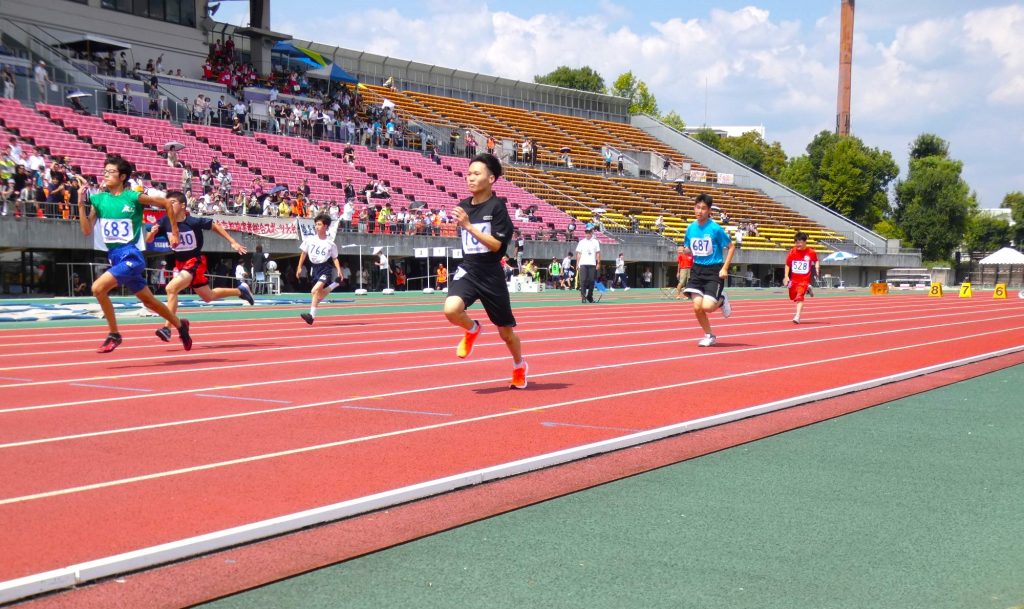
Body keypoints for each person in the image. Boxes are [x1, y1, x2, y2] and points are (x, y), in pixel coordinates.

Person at [75, 155, 192, 353]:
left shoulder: (132, 197)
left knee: (97, 288)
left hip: (131, 256)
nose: (106, 175)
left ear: (122, 177)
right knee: (149, 301)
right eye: (105, 172)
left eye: (111, 172)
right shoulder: (98, 200)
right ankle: (181, 326)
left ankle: (114, 334)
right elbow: (86, 230)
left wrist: (174, 231)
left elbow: (166, 204)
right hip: (115, 257)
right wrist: (80, 203)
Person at [444, 153, 527, 389]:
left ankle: (519, 365)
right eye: (469, 174)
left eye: (476, 174)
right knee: (451, 310)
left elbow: (497, 245)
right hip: (469, 268)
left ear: (491, 179)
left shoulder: (497, 208)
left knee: (506, 334)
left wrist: (468, 226)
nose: (470, 178)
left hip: (491, 272)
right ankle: (472, 329)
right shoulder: (462, 206)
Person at [146, 191, 254, 341]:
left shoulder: (193, 222)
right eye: (166, 204)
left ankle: (167, 328)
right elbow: (148, 240)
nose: (168, 206)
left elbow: (214, 225)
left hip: (195, 261)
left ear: (183, 206)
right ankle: (240, 290)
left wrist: (233, 242)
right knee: (208, 296)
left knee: (171, 288)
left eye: (171, 203)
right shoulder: (164, 222)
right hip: (181, 263)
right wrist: (151, 234)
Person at [681, 193, 735, 347]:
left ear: (709, 210)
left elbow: (731, 247)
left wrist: (725, 268)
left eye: (703, 208)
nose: (700, 211)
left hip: (714, 271)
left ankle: (722, 299)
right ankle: (709, 335)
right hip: (697, 270)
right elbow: (689, 248)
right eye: (697, 207)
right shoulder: (690, 228)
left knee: (707, 307)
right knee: (697, 307)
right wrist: (685, 250)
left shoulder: (715, 229)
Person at [296, 213, 342, 325]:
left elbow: (335, 258)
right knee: (316, 293)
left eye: (319, 224)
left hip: (325, 268)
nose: (316, 226)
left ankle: (311, 316)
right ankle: (334, 285)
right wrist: (299, 267)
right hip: (314, 268)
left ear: (325, 226)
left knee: (316, 291)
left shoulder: (330, 243)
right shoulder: (310, 239)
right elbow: (303, 253)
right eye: (316, 224)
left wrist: (339, 270)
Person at [783, 231, 820, 324]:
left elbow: (816, 260)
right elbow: (787, 264)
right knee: (792, 297)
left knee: (799, 297)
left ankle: (797, 316)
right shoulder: (792, 251)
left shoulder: (811, 252)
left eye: (800, 243)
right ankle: (809, 288)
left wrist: (816, 267)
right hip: (794, 280)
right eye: (796, 243)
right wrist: (786, 276)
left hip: (804, 280)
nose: (798, 245)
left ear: (805, 242)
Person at [575, 223, 601, 303]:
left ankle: (589, 296)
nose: (588, 234)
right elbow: (578, 253)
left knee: (591, 281)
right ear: (584, 233)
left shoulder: (595, 242)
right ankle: (583, 297)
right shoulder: (581, 242)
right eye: (586, 232)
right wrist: (577, 263)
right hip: (583, 264)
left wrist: (598, 263)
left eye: (589, 232)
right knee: (582, 280)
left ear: (592, 232)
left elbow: (598, 253)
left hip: (592, 264)